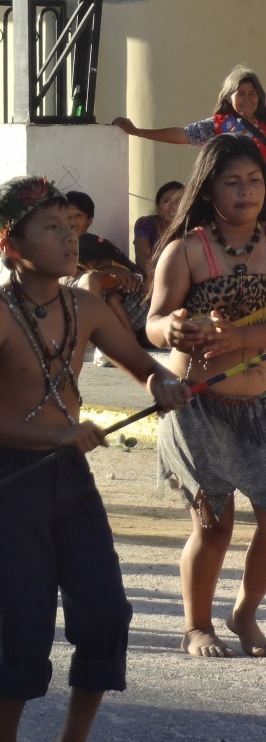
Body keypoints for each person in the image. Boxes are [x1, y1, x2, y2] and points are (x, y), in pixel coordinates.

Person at [0, 175, 190, 742]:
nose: (70, 239)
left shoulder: (85, 306)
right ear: (11, 244)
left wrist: (163, 382)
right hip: (7, 481)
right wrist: (60, 433)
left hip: (69, 481)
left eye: (72, 227)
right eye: (52, 228)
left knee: (106, 613)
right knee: (24, 630)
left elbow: (142, 364)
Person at [147, 133, 266, 659]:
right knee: (215, 524)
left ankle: (244, 609)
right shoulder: (185, 250)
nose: (246, 192)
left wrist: (242, 338)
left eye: (255, 180)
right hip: (196, 404)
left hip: (259, 406)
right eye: (233, 182)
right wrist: (171, 329)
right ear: (209, 189)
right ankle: (197, 626)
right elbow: (150, 323)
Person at [113, 65, 266, 163]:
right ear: (228, 97)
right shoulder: (218, 124)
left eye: (252, 94)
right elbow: (182, 134)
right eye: (241, 94)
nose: (247, 99)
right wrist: (137, 131)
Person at [63, 191, 149, 362]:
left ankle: (129, 341)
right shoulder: (53, 245)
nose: (72, 222)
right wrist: (103, 274)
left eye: (78, 216)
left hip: (117, 304)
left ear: (90, 220)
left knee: (152, 281)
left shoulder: (99, 243)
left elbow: (134, 270)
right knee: (92, 280)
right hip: (71, 309)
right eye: (68, 216)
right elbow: (61, 279)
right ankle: (93, 343)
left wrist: (130, 278)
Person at [133, 180, 184, 278]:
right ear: (158, 206)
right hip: (153, 280)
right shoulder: (145, 223)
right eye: (166, 201)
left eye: (179, 201)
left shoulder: (192, 228)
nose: (173, 207)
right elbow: (142, 258)